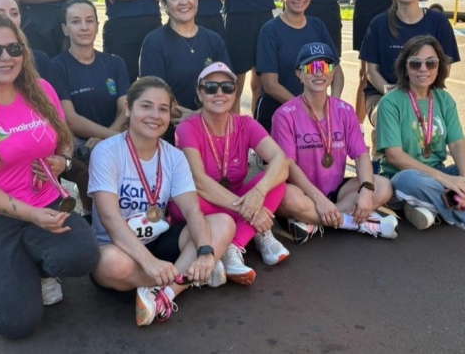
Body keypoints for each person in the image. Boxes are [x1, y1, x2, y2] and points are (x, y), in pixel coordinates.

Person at [0, 12, 98, 339]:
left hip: (47, 201)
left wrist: (63, 160)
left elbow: (64, 137)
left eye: (13, 48)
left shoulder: (40, 90)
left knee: (83, 255)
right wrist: (32, 216)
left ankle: (33, 267)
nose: (5, 58)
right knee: (18, 324)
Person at [89, 76, 236, 327]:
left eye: (163, 109)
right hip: (119, 248)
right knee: (107, 264)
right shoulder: (107, 151)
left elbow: (191, 210)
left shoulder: (174, 157)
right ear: (128, 109)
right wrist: (150, 264)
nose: (154, 115)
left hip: (158, 241)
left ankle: (165, 293)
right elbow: (110, 219)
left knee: (223, 223)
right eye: (146, 106)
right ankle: (187, 278)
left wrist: (205, 252)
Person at [376, 35, 465, 230]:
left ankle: (433, 206)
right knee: (407, 179)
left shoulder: (444, 99)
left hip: (438, 173)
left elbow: (457, 143)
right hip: (405, 178)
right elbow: (395, 157)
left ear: (439, 67)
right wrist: (446, 180)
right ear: (405, 68)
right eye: (415, 64)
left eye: (431, 63)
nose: (423, 69)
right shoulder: (390, 103)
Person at [174, 62, 290, 285]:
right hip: (202, 200)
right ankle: (254, 230)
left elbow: (280, 161)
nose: (219, 93)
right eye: (210, 87)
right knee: (191, 195)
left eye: (227, 87)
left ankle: (232, 246)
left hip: (232, 203)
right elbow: (198, 181)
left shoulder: (246, 124)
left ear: (235, 92)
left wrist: (258, 192)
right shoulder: (188, 128)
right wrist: (251, 210)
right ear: (199, 93)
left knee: (276, 182)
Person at [272, 43, 398, 245]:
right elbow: (288, 166)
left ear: (333, 73)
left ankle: (313, 221)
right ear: (299, 74)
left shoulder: (345, 110)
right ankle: (353, 222)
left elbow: (360, 155)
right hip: (303, 192)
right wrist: (318, 200)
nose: (319, 73)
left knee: (382, 186)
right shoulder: (284, 115)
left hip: (337, 191)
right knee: (285, 196)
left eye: (326, 67)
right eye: (311, 67)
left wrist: (366, 190)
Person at [360, 0, 460, 173]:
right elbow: (371, 71)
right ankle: (381, 163)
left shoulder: (438, 22)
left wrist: (418, 92)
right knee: (391, 116)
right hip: (383, 93)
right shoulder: (379, 24)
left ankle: (426, 170)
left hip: (426, 91)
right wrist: (395, 94)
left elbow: (444, 68)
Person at [51, 0, 130, 221]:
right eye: (76, 22)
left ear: (97, 24)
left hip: (109, 137)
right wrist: (111, 137)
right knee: (91, 165)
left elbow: (125, 110)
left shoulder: (115, 63)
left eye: (89, 20)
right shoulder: (56, 66)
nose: (84, 27)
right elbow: (70, 119)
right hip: (74, 144)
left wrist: (106, 137)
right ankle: (89, 215)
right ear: (65, 29)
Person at [139, 0, 232, 138]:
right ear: (164, 4)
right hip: (170, 132)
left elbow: (228, 88)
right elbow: (154, 94)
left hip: (212, 129)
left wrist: (199, 115)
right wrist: (187, 117)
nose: (184, 2)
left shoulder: (214, 40)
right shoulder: (154, 42)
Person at [256, 0, 344, 133]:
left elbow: (337, 73)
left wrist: (333, 104)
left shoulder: (318, 26)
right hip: (279, 114)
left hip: (316, 114)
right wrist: (305, 109)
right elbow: (270, 85)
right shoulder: (270, 31)